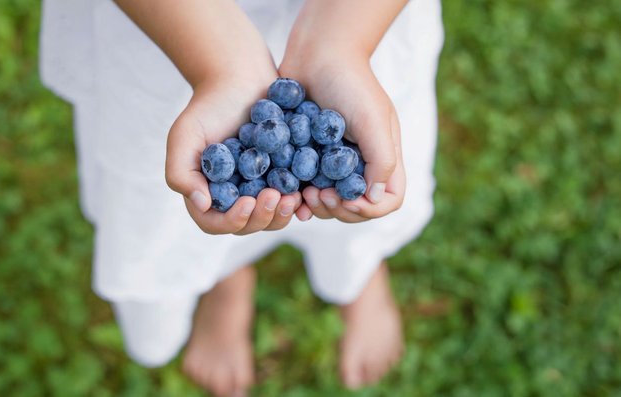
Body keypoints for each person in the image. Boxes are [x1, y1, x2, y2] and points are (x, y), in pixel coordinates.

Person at [40, 0, 443, 395]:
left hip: (359, 17)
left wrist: (340, 44)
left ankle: (357, 273)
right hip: (175, 26)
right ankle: (225, 278)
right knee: (229, 210)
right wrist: (219, 64)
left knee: (350, 192)